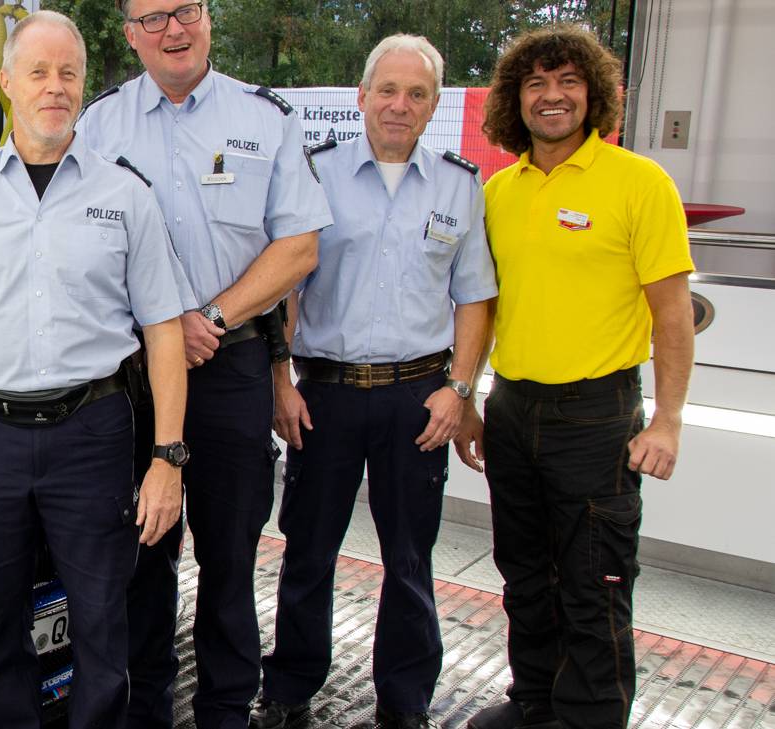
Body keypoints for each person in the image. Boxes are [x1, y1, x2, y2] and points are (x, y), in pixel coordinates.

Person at [0, 11, 193, 729]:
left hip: (94, 433)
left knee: (101, 629)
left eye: (69, 74)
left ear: (83, 85)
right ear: (6, 84)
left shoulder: (125, 195)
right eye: (39, 72)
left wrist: (167, 458)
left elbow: (165, 334)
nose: (55, 88)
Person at [74, 0, 333, 725]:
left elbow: (299, 247)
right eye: (153, 19)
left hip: (231, 369)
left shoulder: (267, 119)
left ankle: (224, 709)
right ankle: (144, 709)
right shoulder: (98, 126)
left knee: (229, 559)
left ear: (209, 18)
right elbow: (74, 248)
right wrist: (158, 327)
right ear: (131, 37)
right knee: (139, 560)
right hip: (130, 379)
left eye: (185, 9)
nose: (173, 30)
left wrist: (208, 319)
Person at [254, 35, 497, 729]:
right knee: (308, 550)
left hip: (417, 396)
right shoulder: (316, 174)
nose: (399, 105)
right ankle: (291, 687)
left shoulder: (460, 184)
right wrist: (281, 378)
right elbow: (285, 283)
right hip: (324, 392)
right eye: (386, 91)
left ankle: (405, 702)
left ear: (433, 106)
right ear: (361, 97)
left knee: (410, 558)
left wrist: (461, 387)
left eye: (416, 94)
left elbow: (475, 296)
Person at [464, 25, 694, 729]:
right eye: (537, 83)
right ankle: (534, 699)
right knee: (526, 574)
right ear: (516, 99)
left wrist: (668, 420)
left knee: (593, 578)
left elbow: (673, 315)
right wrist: (467, 395)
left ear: (593, 94)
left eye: (567, 82)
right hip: (512, 408)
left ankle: (590, 715)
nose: (552, 96)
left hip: (597, 414)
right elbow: (487, 304)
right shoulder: (501, 190)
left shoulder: (639, 182)